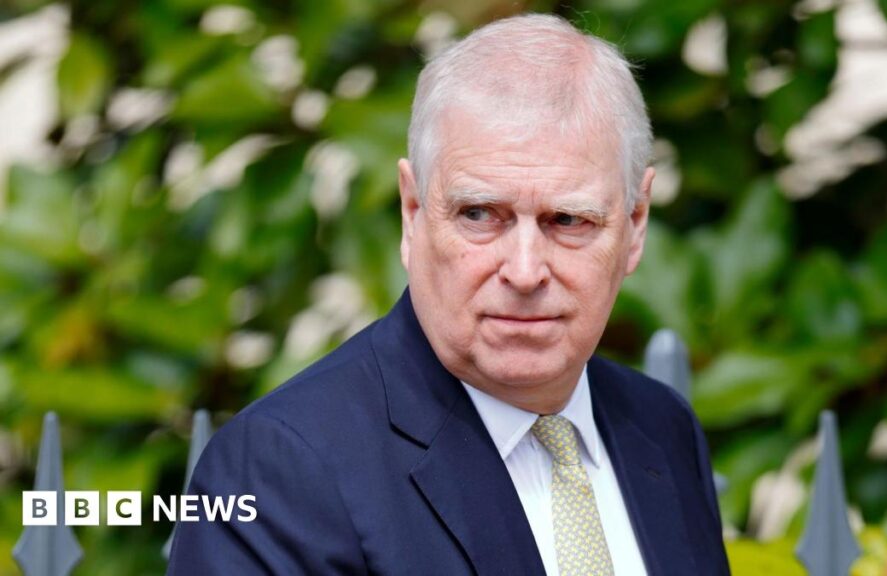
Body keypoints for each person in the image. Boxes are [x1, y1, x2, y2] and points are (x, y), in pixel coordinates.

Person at [167, 13, 729, 576]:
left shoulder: (661, 428)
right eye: (481, 214)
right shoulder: (277, 472)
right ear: (413, 213)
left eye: (568, 219)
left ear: (635, 224)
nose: (526, 271)